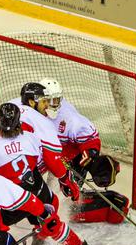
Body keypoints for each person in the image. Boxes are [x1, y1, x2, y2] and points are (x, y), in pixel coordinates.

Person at [0, 102, 98, 245]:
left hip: (13, 201)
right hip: (36, 191)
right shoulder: (31, 138)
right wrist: (66, 179)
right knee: (51, 214)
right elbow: (43, 162)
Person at [36, 78, 128, 224]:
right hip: (44, 154)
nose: (53, 105)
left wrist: (87, 156)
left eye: (56, 100)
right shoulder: (29, 110)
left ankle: (60, 217)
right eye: (49, 100)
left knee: (62, 195)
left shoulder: (69, 118)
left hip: (67, 156)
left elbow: (91, 140)